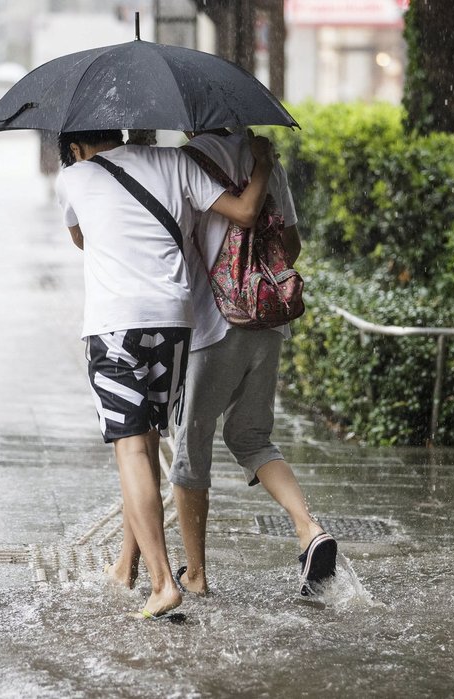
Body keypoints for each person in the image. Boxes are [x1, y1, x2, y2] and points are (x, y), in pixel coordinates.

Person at [54, 128, 276, 618]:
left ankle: (161, 583)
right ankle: (127, 564)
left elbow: (81, 239)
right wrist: (262, 163)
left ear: (74, 145)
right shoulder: (173, 162)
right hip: (175, 322)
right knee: (148, 440)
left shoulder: (72, 177)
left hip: (115, 325)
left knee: (131, 447)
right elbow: (244, 212)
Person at [169, 128, 337, 598]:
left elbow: (174, 241)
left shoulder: (190, 159)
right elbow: (291, 245)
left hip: (213, 323)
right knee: (250, 435)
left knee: (191, 444)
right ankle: (308, 529)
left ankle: (196, 575)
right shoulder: (266, 155)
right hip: (268, 319)